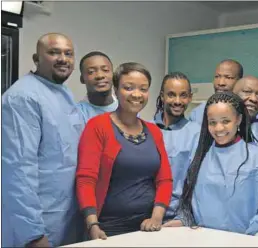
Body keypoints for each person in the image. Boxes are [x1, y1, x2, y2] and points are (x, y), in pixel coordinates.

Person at [2, 33, 84, 247]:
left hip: (65, 216)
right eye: (53, 52)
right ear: (36, 59)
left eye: (68, 53)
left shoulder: (63, 93)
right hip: (38, 225)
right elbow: (18, 170)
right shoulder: (22, 98)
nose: (63, 58)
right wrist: (32, 234)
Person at [163, 92, 258, 239]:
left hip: (245, 240)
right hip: (203, 239)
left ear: (238, 119)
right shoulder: (199, 157)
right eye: (212, 122)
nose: (219, 128)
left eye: (226, 121)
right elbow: (189, 202)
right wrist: (183, 220)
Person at [76, 62, 173, 239]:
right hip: (108, 227)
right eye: (128, 88)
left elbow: (165, 179)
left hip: (147, 227)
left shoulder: (154, 131)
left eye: (143, 89)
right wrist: (92, 224)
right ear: (116, 89)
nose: (137, 94)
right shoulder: (98, 126)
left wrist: (157, 218)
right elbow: (86, 179)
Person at [152, 72, 201, 221]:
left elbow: (197, 183)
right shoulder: (146, 128)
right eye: (171, 95)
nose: (178, 101)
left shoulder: (197, 133)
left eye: (183, 95)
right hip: (145, 212)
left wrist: (183, 218)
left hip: (178, 216)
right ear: (162, 96)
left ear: (190, 97)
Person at [189, 59, 258, 124]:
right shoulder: (198, 113)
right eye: (217, 77)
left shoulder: (256, 115)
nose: (221, 83)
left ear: (239, 81)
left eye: (228, 77)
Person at [77, 51, 118, 124]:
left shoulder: (126, 109)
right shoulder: (76, 114)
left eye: (105, 70)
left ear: (113, 75)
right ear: (82, 79)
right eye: (91, 72)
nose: (100, 75)